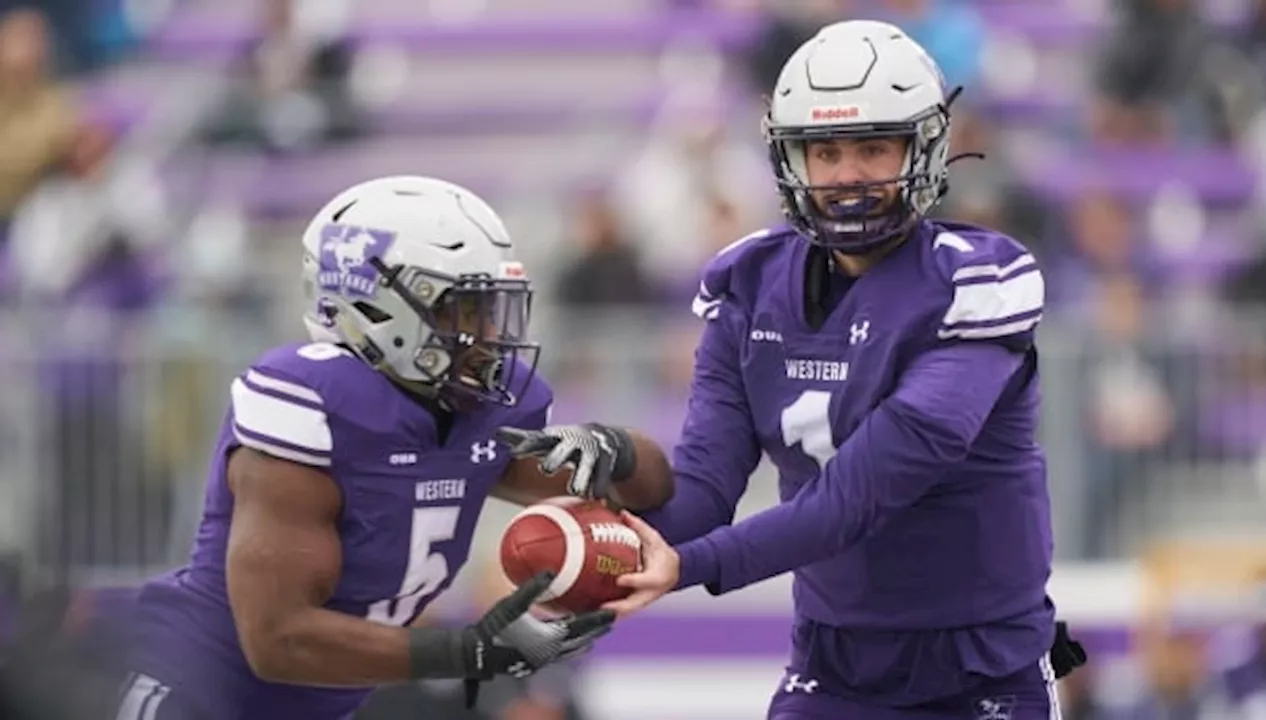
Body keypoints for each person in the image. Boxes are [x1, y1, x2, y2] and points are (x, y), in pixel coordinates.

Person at [496, 20, 1086, 720]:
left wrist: (689, 567)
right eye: (825, 151)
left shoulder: (980, 281)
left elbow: (860, 494)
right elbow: (705, 489)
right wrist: (584, 512)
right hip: (832, 666)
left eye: (873, 147)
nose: (846, 175)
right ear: (788, 159)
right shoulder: (747, 283)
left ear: (924, 147)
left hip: (980, 670)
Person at [114, 175, 674, 720]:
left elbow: (648, 491)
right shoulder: (313, 405)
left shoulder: (481, 410)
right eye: (464, 311)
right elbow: (277, 640)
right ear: (376, 306)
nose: (490, 335)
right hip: (197, 698)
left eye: (495, 309)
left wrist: (613, 447)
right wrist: (467, 652)